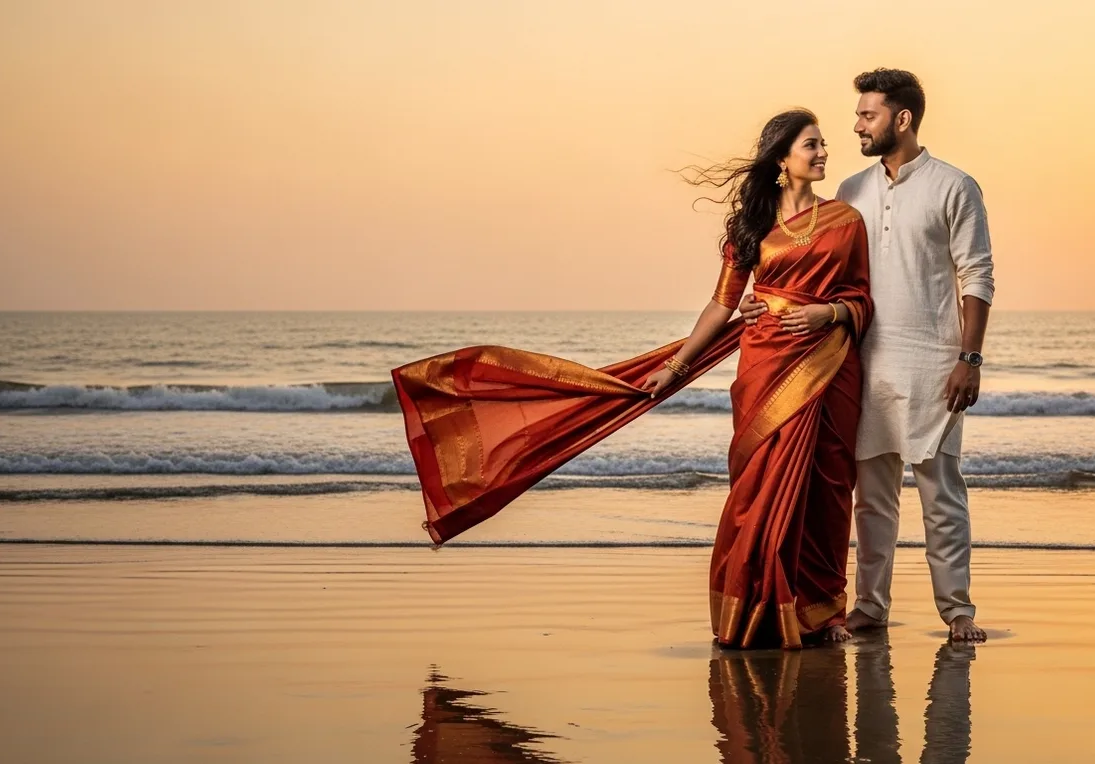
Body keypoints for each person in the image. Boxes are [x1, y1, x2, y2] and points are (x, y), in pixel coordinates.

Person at [393, 109, 873, 649]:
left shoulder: (846, 221)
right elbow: (720, 307)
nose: (823, 152)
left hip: (830, 363)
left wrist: (827, 315)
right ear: (782, 159)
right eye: (812, 145)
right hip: (766, 365)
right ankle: (760, 606)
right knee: (760, 484)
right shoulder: (752, 229)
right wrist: (676, 366)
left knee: (829, 485)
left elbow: (860, 297)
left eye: (824, 144)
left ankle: (824, 612)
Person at [741, 69, 994, 643]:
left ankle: (957, 610)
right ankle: (870, 607)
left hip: (934, 362)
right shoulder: (852, 190)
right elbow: (812, 267)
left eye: (867, 115)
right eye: (857, 116)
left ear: (900, 119)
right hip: (858, 363)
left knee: (941, 492)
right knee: (870, 501)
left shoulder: (955, 186)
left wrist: (969, 358)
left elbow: (977, 275)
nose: (856, 125)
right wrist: (761, 306)